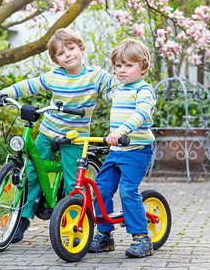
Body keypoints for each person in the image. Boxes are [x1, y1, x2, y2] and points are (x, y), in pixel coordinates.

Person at [0, 28, 117, 243]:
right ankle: (23, 217)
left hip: (75, 137)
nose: (68, 55)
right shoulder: (54, 76)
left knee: (71, 180)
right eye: (61, 53)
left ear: (82, 49)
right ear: (56, 60)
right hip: (48, 132)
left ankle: (75, 224)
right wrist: (6, 92)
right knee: (32, 173)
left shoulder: (95, 76)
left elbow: (115, 89)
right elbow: (30, 85)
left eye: (72, 49)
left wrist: (126, 97)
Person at [89, 38, 156, 258]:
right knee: (101, 189)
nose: (122, 70)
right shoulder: (118, 90)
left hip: (137, 150)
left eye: (129, 65)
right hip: (117, 151)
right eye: (118, 66)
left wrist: (121, 131)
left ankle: (142, 238)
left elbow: (142, 113)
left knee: (128, 190)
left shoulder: (144, 90)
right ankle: (105, 235)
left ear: (143, 68)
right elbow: (99, 92)